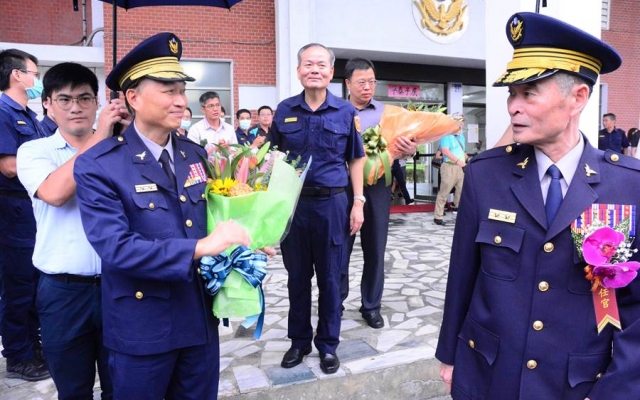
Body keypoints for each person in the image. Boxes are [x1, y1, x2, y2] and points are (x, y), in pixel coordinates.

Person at [436, 12, 640, 400]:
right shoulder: (486, 175)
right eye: (512, 93)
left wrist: (619, 389)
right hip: (490, 374)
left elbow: (634, 307)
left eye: (528, 93)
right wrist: (450, 354)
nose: (513, 106)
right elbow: (462, 276)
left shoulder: (628, 186)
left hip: (579, 384)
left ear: (577, 97)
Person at [73, 32, 251, 399]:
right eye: (168, 90)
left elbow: (212, 220)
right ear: (133, 97)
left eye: (181, 90)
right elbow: (117, 248)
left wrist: (241, 245)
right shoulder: (100, 165)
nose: (181, 101)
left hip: (198, 320)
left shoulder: (194, 155)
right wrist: (202, 247)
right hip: (142, 328)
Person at [16, 62, 123, 399]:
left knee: (122, 387)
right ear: (47, 103)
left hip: (119, 288)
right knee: (73, 391)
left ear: (98, 103)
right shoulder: (34, 151)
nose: (75, 107)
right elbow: (56, 193)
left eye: (84, 98)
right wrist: (102, 137)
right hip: (63, 294)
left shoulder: (120, 149)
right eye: (64, 99)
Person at [271, 43, 365, 374]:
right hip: (293, 207)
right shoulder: (284, 110)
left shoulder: (345, 112)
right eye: (308, 64)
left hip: (333, 204)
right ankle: (298, 342)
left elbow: (356, 158)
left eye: (321, 64)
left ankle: (328, 345)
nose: (315, 69)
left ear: (330, 72)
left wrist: (358, 202)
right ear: (298, 71)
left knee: (329, 278)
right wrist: (268, 211)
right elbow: (273, 159)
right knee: (297, 278)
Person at [339, 58, 416, 330]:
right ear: (347, 83)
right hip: (342, 188)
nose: (368, 87)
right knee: (340, 249)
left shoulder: (387, 113)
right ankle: (336, 302)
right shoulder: (336, 111)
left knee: (375, 249)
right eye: (362, 82)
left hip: (378, 187)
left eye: (372, 82)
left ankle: (371, 306)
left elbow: (405, 148)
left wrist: (408, 150)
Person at [0, 48, 49, 382]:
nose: (36, 79)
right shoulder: (3, 112)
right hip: (13, 212)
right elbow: (8, 166)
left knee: (33, 286)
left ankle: (33, 347)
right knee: (17, 288)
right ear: (16, 74)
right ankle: (17, 355)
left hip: (31, 212)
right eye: (33, 72)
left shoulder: (28, 114)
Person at [433, 113, 466, 226]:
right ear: (454, 122)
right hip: (449, 166)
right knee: (444, 191)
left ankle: (458, 210)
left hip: (460, 168)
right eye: (460, 120)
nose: (462, 123)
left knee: (461, 190)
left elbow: (462, 152)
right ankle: (438, 216)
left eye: (463, 120)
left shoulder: (461, 137)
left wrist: (467, 160)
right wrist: (458, 161)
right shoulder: (446, 136)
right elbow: (445, 151)